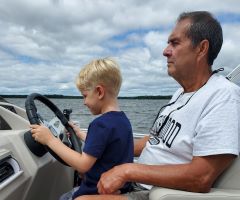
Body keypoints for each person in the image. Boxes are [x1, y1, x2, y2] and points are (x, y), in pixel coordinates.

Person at [75, 11, 240, 200]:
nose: (165, 51)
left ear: (201, 49)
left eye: (175, 43)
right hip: (137, 184)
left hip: (158, 193)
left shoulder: (223, 95)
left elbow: (201, 177)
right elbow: (154, 141)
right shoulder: (180, 94)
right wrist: (103, 153)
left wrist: (127, 171)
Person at [30, 58, 134, 199]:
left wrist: (49, 140)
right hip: (116, 191)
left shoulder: (100, 124)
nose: (84, 102)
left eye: (85, 96)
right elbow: (105, 145)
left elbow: (82, 165)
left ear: (99, 92)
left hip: (92, 192)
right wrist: (79, 134)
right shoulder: (122, 120)